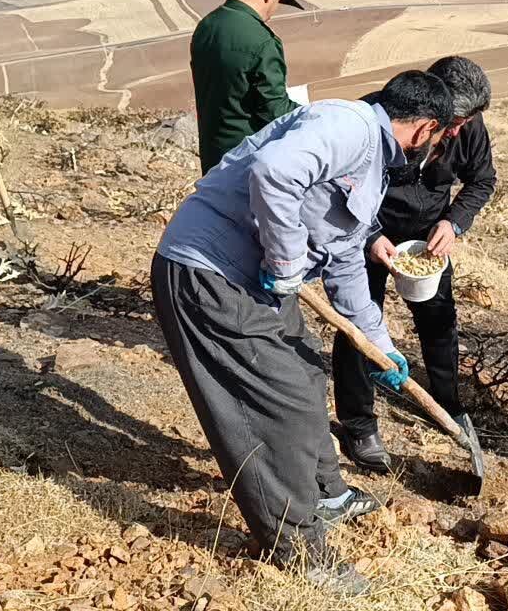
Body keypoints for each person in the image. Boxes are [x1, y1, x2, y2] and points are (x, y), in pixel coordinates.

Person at [150, 70, 453, 595]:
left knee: (309, 373)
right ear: (426, 128)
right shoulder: (350, 127)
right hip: (210, 273)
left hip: (259, 282)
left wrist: (380, 344)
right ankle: (297, 548)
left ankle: (324, 492)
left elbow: (345, 257)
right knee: (279, 405)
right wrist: (287, 259)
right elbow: (274, 171)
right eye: (442, 136)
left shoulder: (375, 163)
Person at [330, 56, 497, 473]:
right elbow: (338, 187)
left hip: (427, 240)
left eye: (465, 122)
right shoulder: (379, 118)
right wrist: (370, 235)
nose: (457, 131)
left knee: (439, 321)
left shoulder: (468, 128)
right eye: (452, 121)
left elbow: (482, 180)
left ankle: (447, 407)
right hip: (366, 231)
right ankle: (358, 424)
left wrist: (453, 223)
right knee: (358, 328)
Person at [191, 0, 304, 173]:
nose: (276, 8)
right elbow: (275, 110)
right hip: (246, 161)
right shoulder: (261, 40)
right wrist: (313, 115)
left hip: (212, 157)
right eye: (279, 1)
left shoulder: (207, 25)